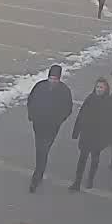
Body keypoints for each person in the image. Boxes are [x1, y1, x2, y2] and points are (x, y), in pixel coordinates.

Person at [26, 64, 74, 192]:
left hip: (52, 127)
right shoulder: (40, 86)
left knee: (44, 149)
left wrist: (59, 120)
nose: (52, 81)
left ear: (59, 79)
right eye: (51, 78)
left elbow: (68, 108)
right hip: (39, 124)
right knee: (40, 148)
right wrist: (32, 116)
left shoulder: (64, 91)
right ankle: (38, 172)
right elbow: (31, 100)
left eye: (55, 79)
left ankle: (37, 174)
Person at [70, 78, 112, 191]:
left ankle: (90, 179)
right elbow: (81, 115)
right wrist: (76, 131)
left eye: (101, 87)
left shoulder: (108, 102)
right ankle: (77, 181)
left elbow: (110, 122)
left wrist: (108, 138)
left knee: (95, 159)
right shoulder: (90, 98)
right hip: (87, 134)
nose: (99, 89)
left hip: (98, 137)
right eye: (97, 87)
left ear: (106, 89)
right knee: (82, 159)